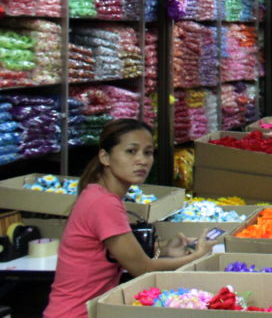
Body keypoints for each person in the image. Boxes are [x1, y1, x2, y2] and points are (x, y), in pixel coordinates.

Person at [44, 119, 214, 318]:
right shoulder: (104, 204)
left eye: (148, 152)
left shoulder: (99, 195)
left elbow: (122, 253)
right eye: (131, 151)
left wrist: (165, 249)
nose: (142, 160)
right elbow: (142, 268)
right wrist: (197, 256)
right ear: (105, 157)